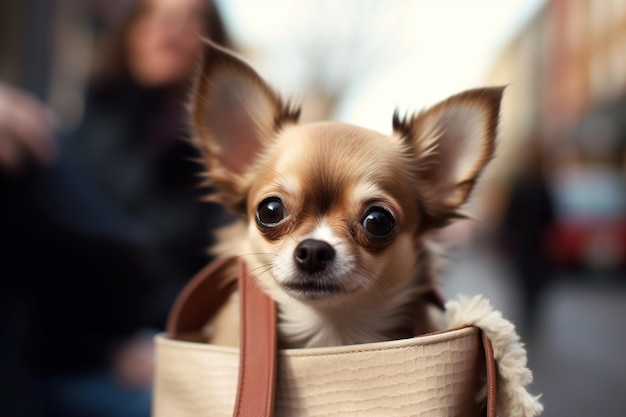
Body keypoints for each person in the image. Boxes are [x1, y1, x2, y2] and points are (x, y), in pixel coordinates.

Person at [0, 1, 233, 416]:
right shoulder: (71, 139)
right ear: (130, 33)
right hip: (63, 358)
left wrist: (172, 340)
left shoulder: (225, 165)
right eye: (154, 18)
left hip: (160, 358)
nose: (170, 32)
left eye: (188, 20)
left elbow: (221, 276)